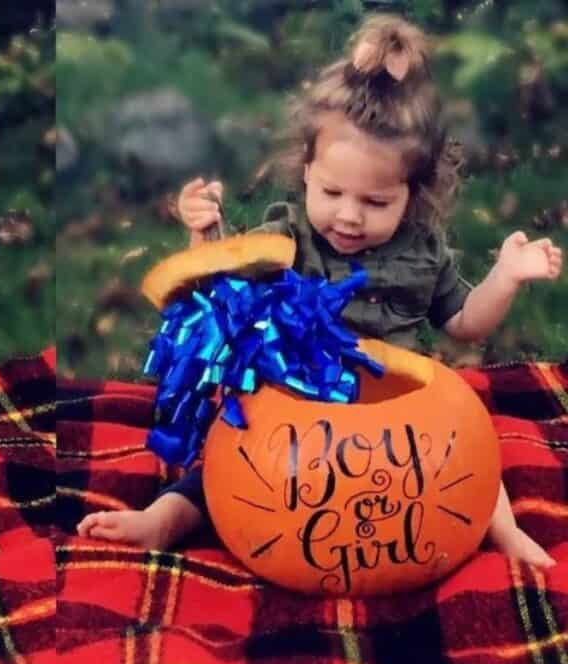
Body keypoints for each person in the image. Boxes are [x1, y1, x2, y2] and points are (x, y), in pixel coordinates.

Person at [78, 15, 562, 568]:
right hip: (292, 409)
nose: (349, 216)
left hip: (401, 423)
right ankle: (162, 521)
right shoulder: (288, 238)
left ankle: (506, 534)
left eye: (377, 202)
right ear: (306, 171)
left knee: (472, 460)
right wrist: (201, 230)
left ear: (414, 194)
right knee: (222, 469)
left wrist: (505, 276)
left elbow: (466, 325)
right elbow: (221, 285)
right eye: (332, 191)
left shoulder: (422, 253)